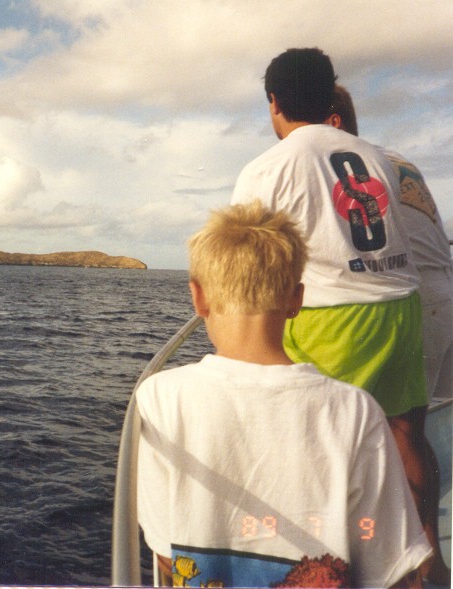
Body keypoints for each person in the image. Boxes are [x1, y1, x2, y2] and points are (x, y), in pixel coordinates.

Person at [136, 201, 431, 588]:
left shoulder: (159, 397)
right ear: (297, 299)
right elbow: (390, 568)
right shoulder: (355, 410)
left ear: (199, 298)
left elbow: (165, 551)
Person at [326, 84, 452, 584]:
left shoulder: (343, 170)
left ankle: (389, 567)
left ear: (331, 123)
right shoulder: (395, 162)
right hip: (445, 295)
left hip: (412, 302)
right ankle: (431, 560)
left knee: (382, 441)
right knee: (414, 437)